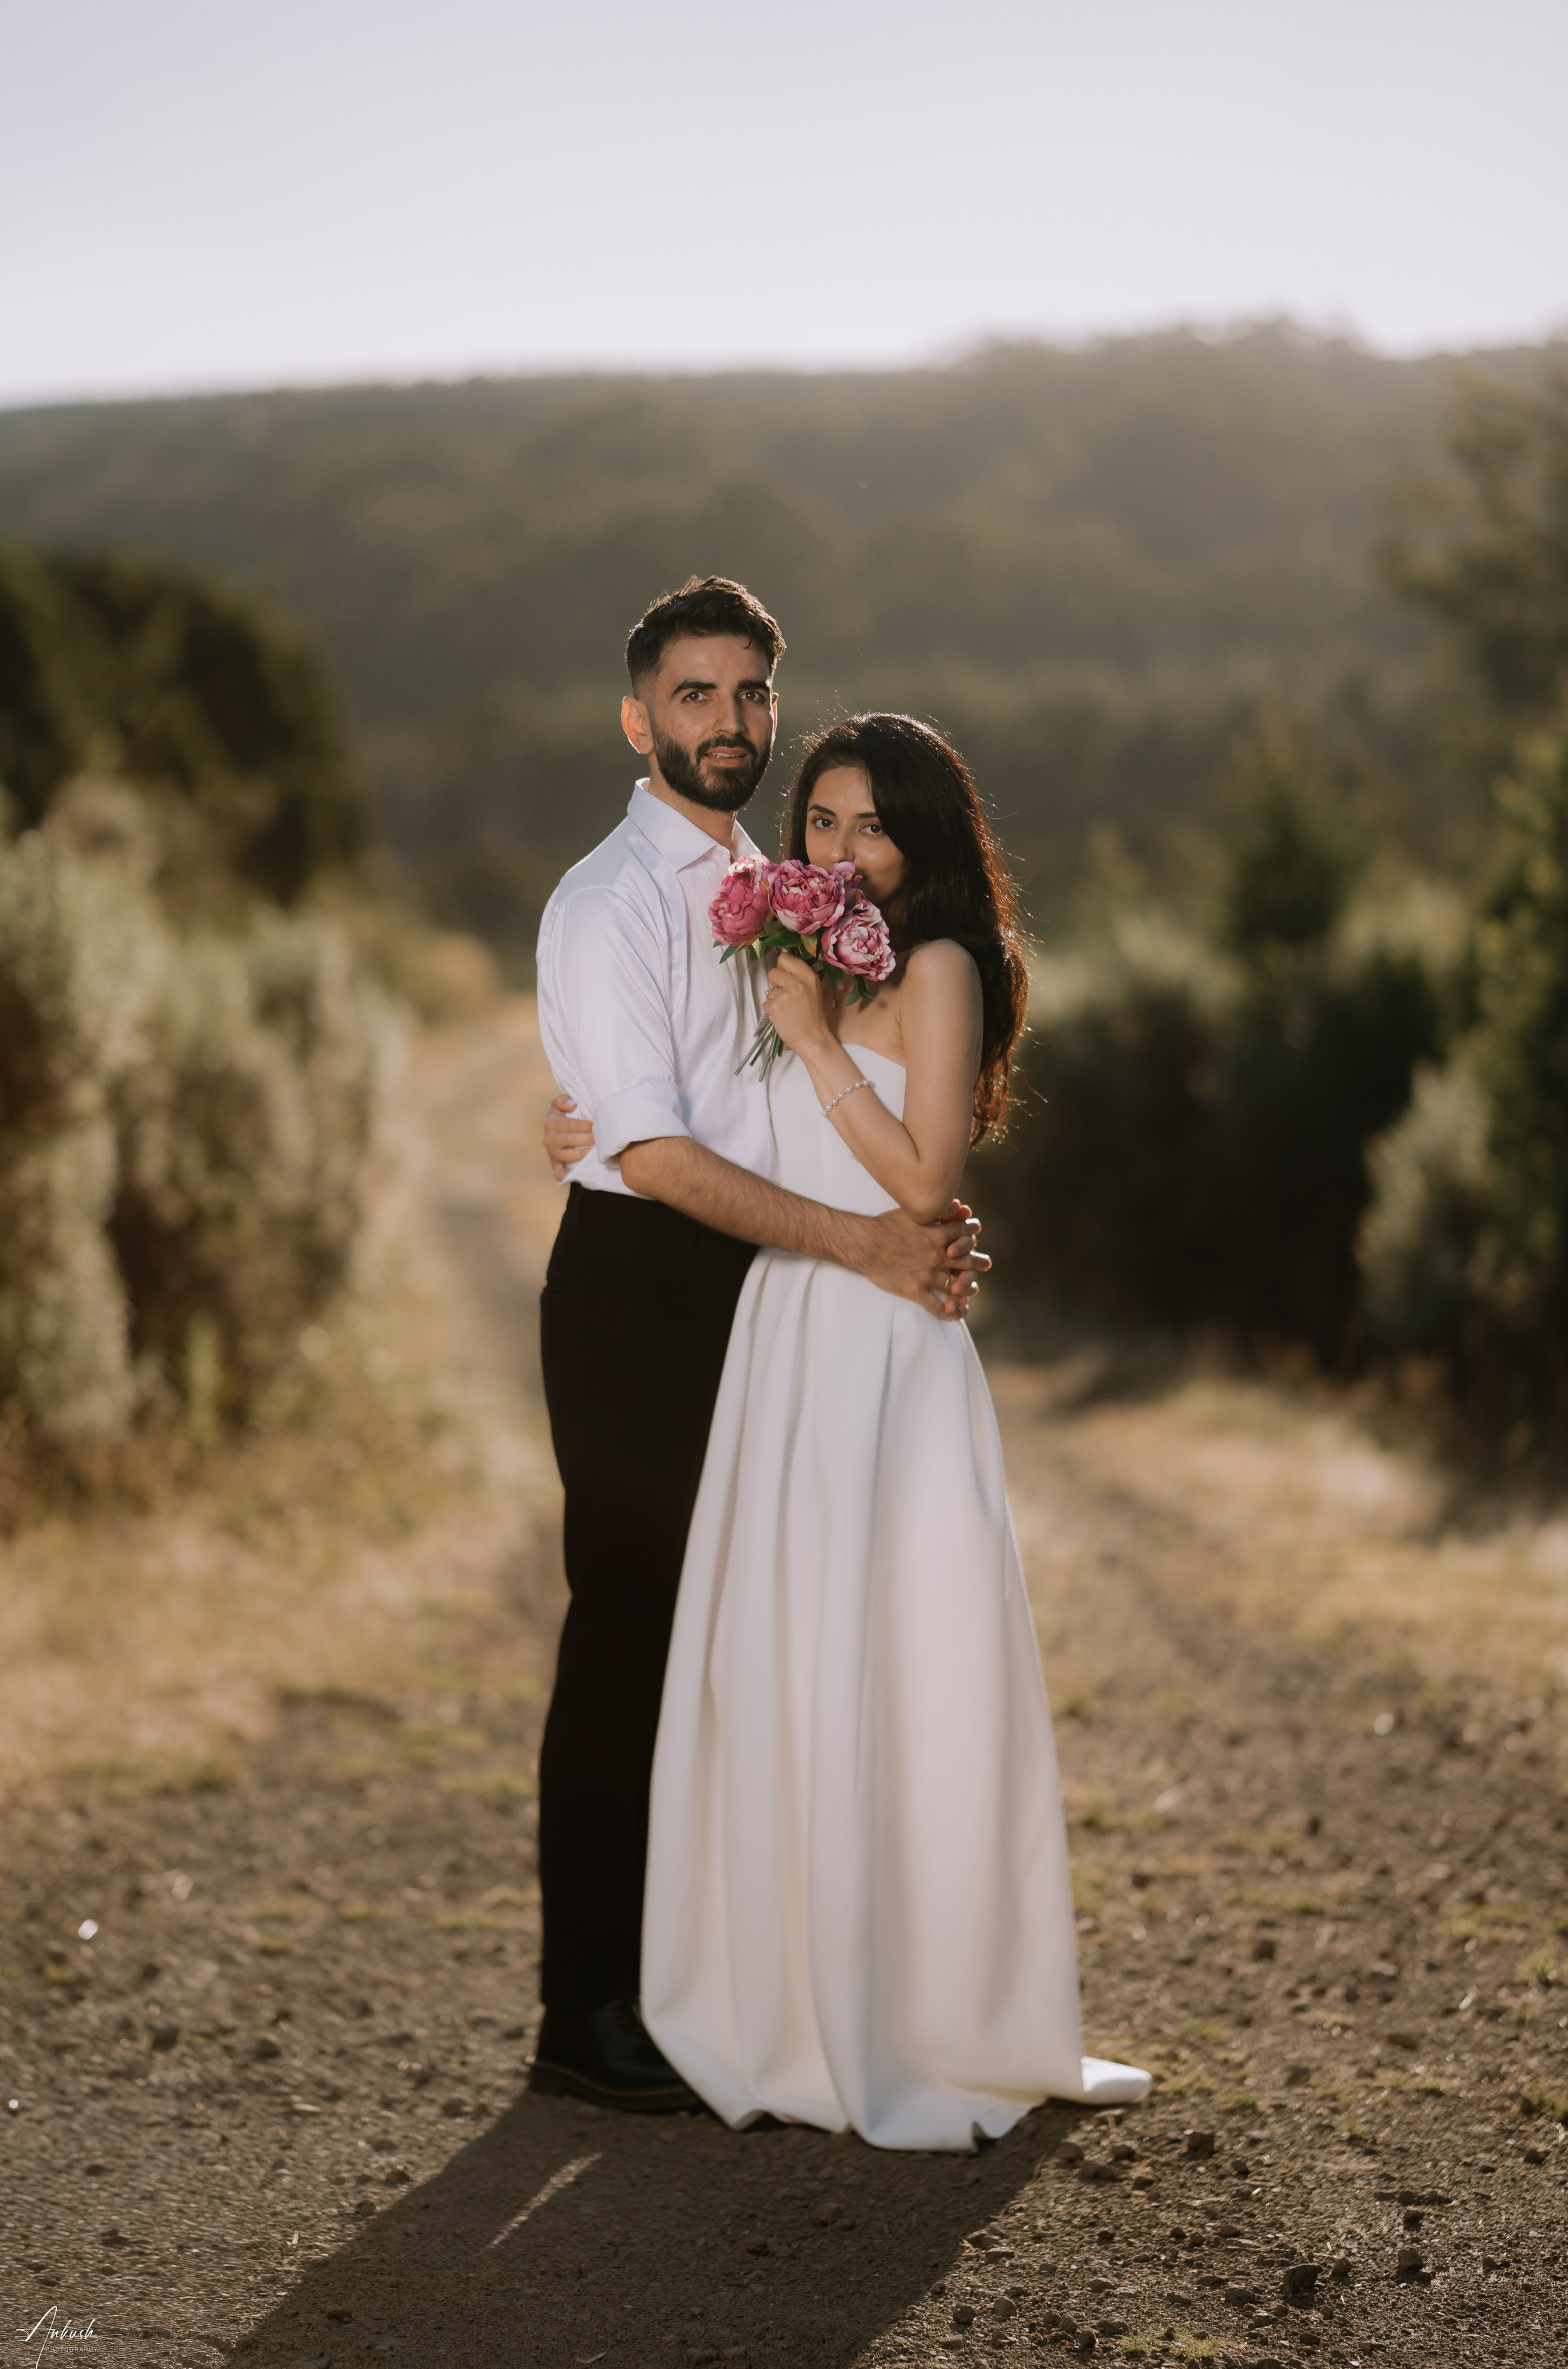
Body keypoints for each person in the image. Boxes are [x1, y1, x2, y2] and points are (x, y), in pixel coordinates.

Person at [565, 713, 1151, 2148]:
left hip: (883, 1344)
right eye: (818, 823)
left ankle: (910, 2009)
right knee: (784, 1664)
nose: (838, 850)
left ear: (925, 838)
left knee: (894, 1660)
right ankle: (774, 1993)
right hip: (784, 1340)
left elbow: (921, 1178)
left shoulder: (941, 965)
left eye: (869, 826)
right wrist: (578, 1127)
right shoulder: (806, 960)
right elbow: (711, 1128)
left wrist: (816, 1043)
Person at [530, 582, 985, 2112]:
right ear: (636, 716)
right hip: (646, 1287)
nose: (723, 722)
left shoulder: (786, 884)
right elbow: (651, 1153)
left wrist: (903, 1211)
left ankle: (718, 1981)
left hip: (768, 1288)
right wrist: (866, 1240)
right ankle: (584, 2011)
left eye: (746, 696)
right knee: (632, 1636)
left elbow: (847, 1083)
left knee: (745, 1645)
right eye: (691, 695)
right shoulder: (605, 901)